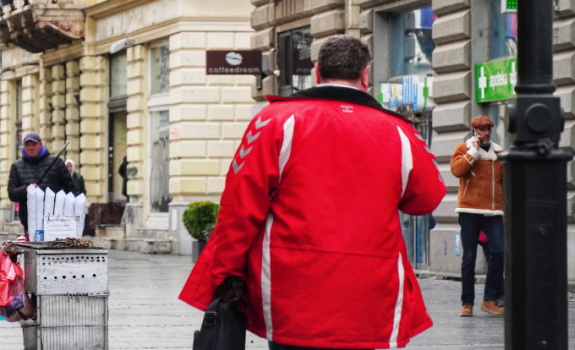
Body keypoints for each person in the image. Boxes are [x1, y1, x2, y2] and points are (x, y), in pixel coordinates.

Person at [179, 35, 446, 349]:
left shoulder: (274, 121)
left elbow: (239, 208)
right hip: (366, 293)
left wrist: (223, 274)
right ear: (365, 76)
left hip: (290, 290)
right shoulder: (401, 132)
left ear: (317, 72)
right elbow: (427, 198)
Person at [450, 115, 505, 317]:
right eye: (482, 129)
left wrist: (504, 208)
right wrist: (473, 151)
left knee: (499, 252)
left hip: (493, 212)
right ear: (474, 131)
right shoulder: (463, 150)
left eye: (489, 129)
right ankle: (467, 303)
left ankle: (490, 299)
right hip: (469, 211)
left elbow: (505, 183)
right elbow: (457, 171)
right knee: (469, 257)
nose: (487, 132)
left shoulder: (499, 153)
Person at [7, 132, 73, 234]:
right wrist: (26, 189)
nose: (31, 148)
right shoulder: (16, 166)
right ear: (23, 146)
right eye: (28, 145)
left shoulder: (56, 162)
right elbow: (12, 194)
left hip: (55, 219)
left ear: (40, 145)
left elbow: (70, 189)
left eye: (34, 144)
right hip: (29, 220)